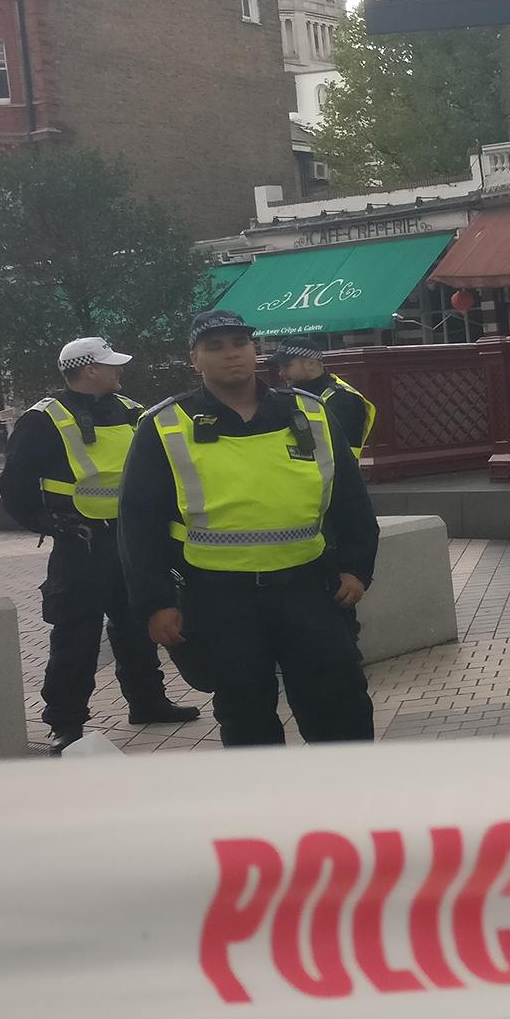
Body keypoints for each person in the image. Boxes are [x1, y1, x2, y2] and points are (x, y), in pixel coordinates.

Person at [117, 309, 376, 747]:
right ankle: (264, 812)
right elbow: (138, 525)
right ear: (194, 359)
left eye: (239, 344)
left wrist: (355, 567)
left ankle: (346, 807)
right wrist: (155, 603)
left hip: (310, 590)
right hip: (219, 598)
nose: (230, 355)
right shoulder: (164, 425)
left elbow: (351, 500)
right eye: (214, 347)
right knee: (246, 717)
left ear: (255, 350)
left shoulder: (309, 414)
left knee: (340, 707)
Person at [0, 337, 199, 752]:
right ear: (89, 370)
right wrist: (46, 523)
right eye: (111, 365)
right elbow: (13, 483)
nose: (118, 370)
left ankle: (148, 702)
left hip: (130, 542)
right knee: (75, 635)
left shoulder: (132, 412)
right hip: (80, 546)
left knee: (138, 626)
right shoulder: (43, 419)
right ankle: (65, 723)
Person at [270, 338, 376, 456]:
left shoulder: (343, 399)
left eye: (286, 366)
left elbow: (344, 454)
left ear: (310, 363)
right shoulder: (289, 395)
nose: (281, 373)